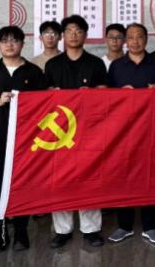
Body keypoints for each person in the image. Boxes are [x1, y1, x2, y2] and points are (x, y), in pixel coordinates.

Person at [0, 26, 46, 252]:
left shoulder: (33, 72)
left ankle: (21, 230)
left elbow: (46, 105)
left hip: (27, 141)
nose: (10, 44)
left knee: (24, 183)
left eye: (14, 40)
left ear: (22, 43)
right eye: (4, 41)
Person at [44, 15, 107, 248]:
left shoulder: (96, 63)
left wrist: (91, 95)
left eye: (78, 30)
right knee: (60, 179)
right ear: (63, 35)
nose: (74, 34)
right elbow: (44, 97)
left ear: (85, 35)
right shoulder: (52, 65)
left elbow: (105, 93)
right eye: (69, 30)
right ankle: (63, 230)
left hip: (89, 130)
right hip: (60, 131)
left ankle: (91, 229)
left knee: (89, 177)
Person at [107, 23, 155, 245]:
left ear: (146, 39)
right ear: (126, 40)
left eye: (139, 36)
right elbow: (106, 99)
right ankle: (124, 226)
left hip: (150, 128)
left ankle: (149, 226)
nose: (135, 41)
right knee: (123, 175)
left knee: (149, 175)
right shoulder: (116, 66)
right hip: (123, 131)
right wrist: (119, 94)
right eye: (131, 37)